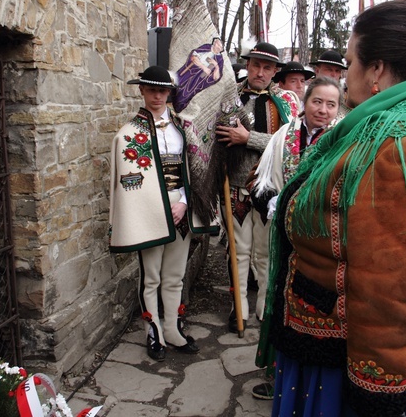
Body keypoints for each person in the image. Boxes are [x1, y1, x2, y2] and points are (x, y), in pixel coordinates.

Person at [263, 0, 406, 416]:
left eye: (350, 63)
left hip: (367, 364)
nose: (345, 81)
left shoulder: (401, 145)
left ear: (377, 69)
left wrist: (375, 397)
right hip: (352, 348)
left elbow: (394, 288)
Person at [109, 66, 216, 361]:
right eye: (152, 89)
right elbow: (131, 184)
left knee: (175, 275)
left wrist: (184, 201)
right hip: (150, 210)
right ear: (141, 90)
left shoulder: (184, 128)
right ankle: (152, 330)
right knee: (151, 276)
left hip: (181, 208)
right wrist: (157, 207)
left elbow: (194, 167)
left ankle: (173, 328)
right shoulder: (129, 135)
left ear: (169, 93)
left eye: (163, 90)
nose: (157, 95)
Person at [250, 76, 342, 401]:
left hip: (320, 247)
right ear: (306, 102)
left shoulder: (342, 141)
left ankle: (311, 385)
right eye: (318, 101)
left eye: (331, 104)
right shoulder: (283, 136)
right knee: (279, 303)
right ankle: (279, 377)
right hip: (284, 241)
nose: (323, 110)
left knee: (314, 310)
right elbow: (260, 184)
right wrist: (273, 200)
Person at [214, 42, 299, 333]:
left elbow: (286, 144)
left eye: (267, 67)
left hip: (268, 189)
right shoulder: (230, 98)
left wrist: (248, 138)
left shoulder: (285, 103)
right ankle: (239, 307)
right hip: (235, 188)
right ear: (247, 66)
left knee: (265, 252)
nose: (260, 72)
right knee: (238, 251)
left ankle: (266, 305)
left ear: (275, 71)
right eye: (255, 65)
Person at [173, 36, 225, 113]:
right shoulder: (206, 47)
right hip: (190, 70)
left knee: (186, 94)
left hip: (200, 78)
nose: (218, 48)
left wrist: (216, 66)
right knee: (177, 84)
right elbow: (194, 58)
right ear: (214, 43)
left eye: (221, 47)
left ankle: (177, 108)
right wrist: (203, 67)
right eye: (218, 45)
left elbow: (216, 77)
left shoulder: (220, 59)